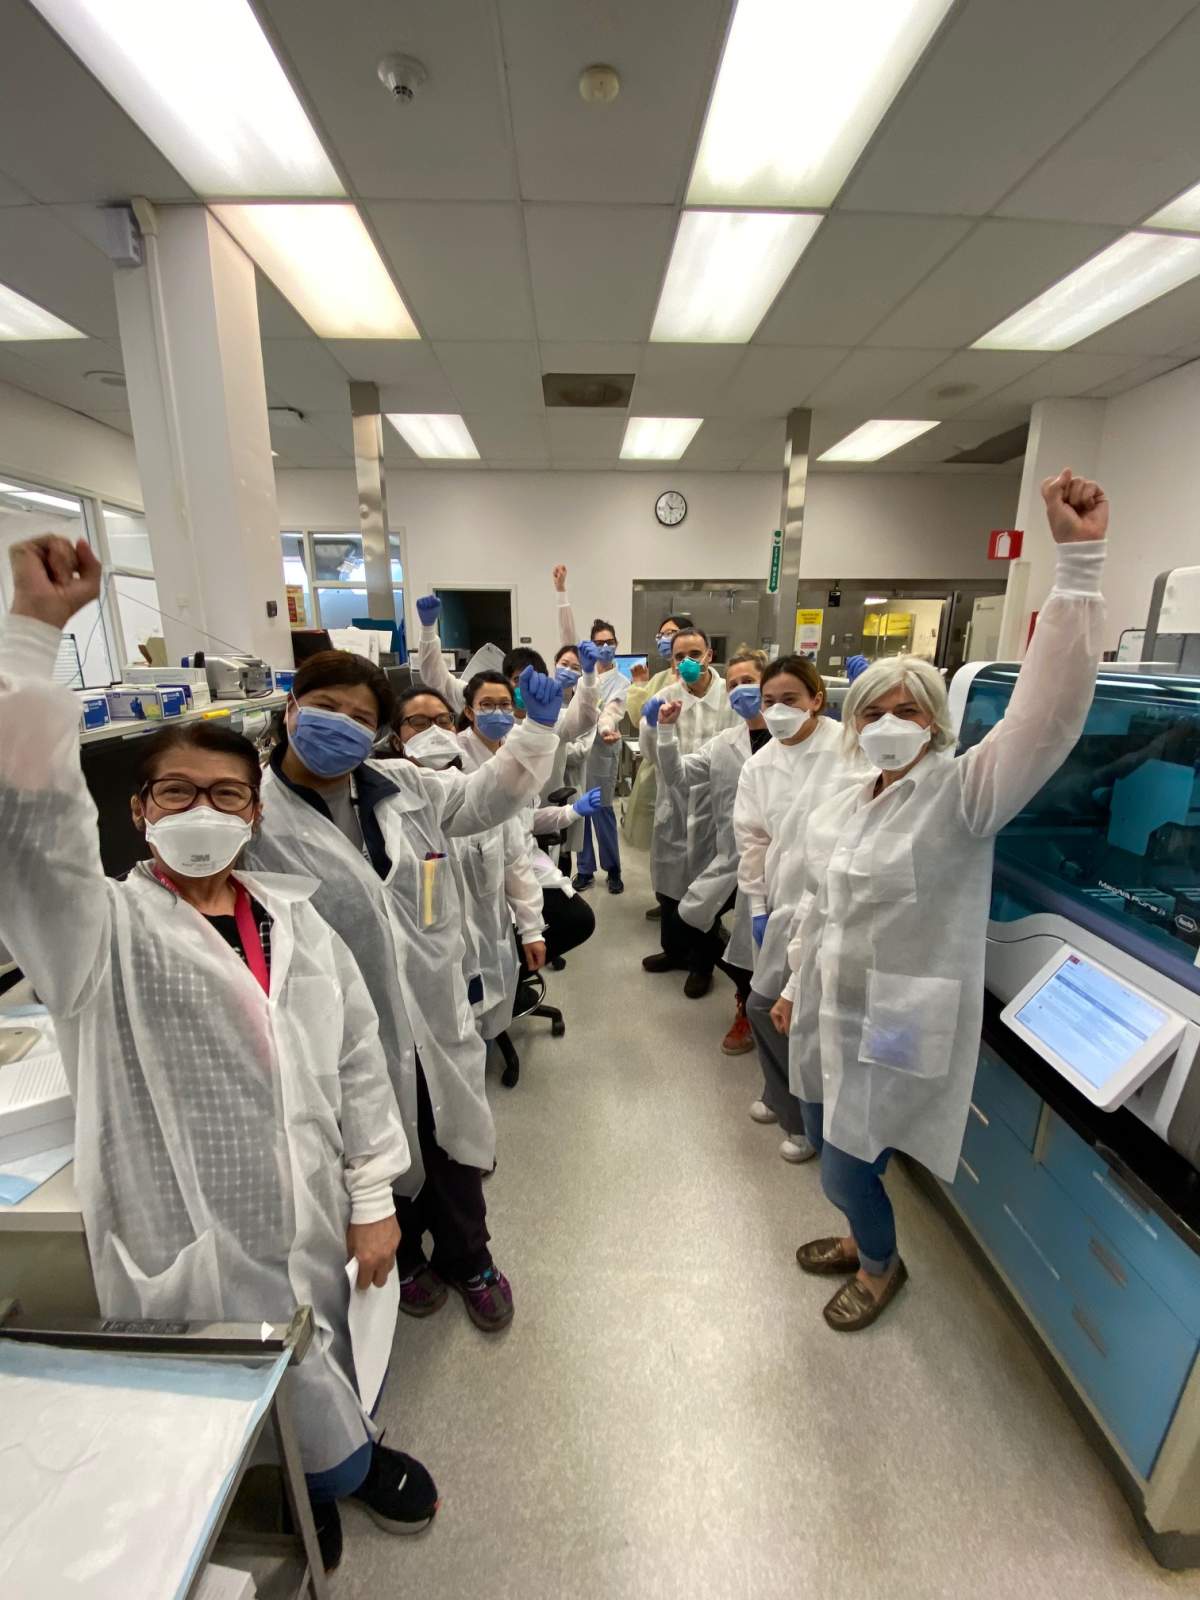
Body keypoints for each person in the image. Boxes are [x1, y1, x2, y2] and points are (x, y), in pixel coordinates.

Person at [0, 537, 434, 1574]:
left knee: (321, 1349)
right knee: (224, 1399)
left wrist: (374, 1190)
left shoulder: (293, 921)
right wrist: (30, 637)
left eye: (226, 795)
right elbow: (29, 831)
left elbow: (359, 1058)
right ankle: (295, 1484)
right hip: (186, 1236)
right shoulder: (97, 934)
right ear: (139, 813)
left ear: (253, 812)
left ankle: (344, 1461)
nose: (203, 811)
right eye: (175, 793)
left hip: (310, 1215)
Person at [772, 470, 1108, 1332]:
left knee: (851, 1162)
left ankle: (881, 1264)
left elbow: (1048, 717)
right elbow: (821, 906)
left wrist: (1076, 568)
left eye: (907, 708)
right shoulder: (849, 798)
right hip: (823, 1006)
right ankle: (858, 1232)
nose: (890, 720)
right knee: (826, 1135)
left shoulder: (963, 797)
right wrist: (789, 984)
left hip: (891, 1018)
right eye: (873, 709)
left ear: (933, 721)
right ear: (854, 725)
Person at [249, 653, 562, 1344]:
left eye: (361, 717)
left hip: (434, 1011)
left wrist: (538, 728)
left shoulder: (403, 786)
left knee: (449, 1142)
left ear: (378, 733)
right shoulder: (253, 816)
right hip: (338, 1030)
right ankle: (411, 1260)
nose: (342, 724)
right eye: (326, 705)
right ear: (291, 708)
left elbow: (487, 797)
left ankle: (469, 1261)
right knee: (373, 1154)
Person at [733, 656, 871, 1162]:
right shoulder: (759, 764)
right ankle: (783, 1096)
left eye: (790, 700)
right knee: (766, 1007)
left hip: (835, 904)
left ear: (817, 699)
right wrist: (755, 903)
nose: (777, 710)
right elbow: (751, 839)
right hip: (780, 903)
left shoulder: (848, 749)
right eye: (769, 702)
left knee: (804, 1016)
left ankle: (805, 1123)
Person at [652, 648, 770, 1040]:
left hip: (785, 863)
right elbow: (679, 776)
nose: (740, 690)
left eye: (748, 681)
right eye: (734, 684)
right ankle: (746, 994)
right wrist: (666, 732)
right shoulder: (725, 742)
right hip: (733, 855)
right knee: (693, 915)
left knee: (774, 942)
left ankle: (756, 1009)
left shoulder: (797, 738)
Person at [638, 626, 738, 993]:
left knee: (705, 888)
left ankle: (702, 963)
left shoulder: (731, 697)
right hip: (674, 803)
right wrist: (651, 724)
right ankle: (674, 952)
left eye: (694, 654)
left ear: (709, 655)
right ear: (672, 661)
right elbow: (651, 756)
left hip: (714, 807)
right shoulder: (666, 695)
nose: (687, 663)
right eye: (680, 657)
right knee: (669, 884)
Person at [622, 611, 695, 877]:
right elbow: (638, 715)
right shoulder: (660, 680)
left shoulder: (711, 684)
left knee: (699, 840)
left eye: (671, 633)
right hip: (661, 767)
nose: (665, 639)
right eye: (661, 635)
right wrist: (640, 685)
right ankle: (666, 898)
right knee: (663, 840)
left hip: (697, 771)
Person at [571, 620, 628, 895]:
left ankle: (613, 868)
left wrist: (605, 728)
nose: (605, 648)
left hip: (603, 749)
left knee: (603, 810)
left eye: (610, 642)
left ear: (616, 645)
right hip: (578, 752)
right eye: (599, 643)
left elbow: (612, 711)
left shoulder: (621, 682)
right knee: (580, 809)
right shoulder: (583, 678)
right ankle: (584, 869)